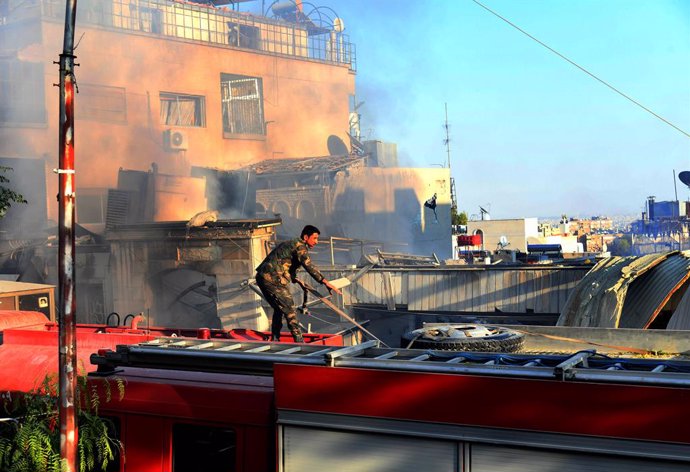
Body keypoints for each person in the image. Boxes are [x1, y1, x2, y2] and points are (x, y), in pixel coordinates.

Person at [255, 225, 341, 342]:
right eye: (314, 238)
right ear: (306, 237)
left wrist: (296, 279)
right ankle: (300, 342)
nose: (316, 242)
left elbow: (286, 263)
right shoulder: (300, 246)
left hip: (263, 277)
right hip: (271, 279)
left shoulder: (293, 244)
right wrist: (325, 281)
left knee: (279, 308)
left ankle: (275, 338)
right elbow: (308, 265)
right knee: (290, 308)